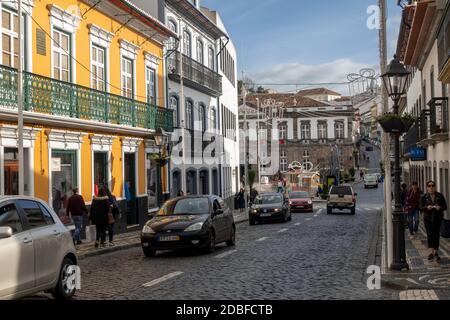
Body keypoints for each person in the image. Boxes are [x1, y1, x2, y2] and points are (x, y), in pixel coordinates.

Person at [420, 181, 447, 261]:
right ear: (427, 187)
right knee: (430, 234)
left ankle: (436, 252)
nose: (431, 187)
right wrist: (426, 207)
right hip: (428, 219)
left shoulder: (440, 195)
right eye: (429, 186)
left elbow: (445, 206)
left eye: (433, 185)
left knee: (436, 235)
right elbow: (420, 207)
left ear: (435, 187)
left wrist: (440, 208)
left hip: (437, 218)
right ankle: (430, 252)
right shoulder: (424, 196)